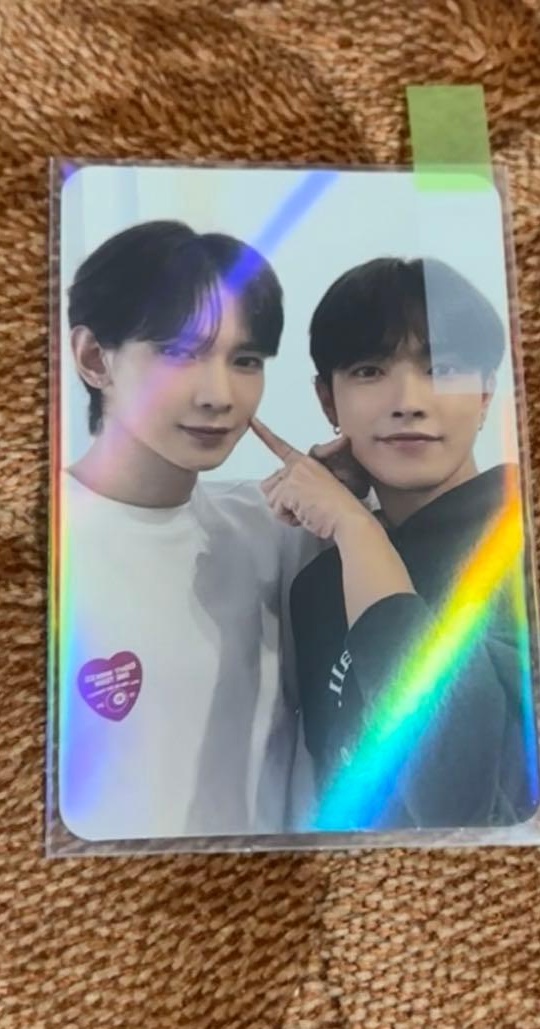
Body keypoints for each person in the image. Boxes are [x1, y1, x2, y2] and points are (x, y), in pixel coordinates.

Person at [57, 220, 327, 842]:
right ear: (94, 358)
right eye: (180, 352)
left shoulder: (273, 527)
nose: (219, 395)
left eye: (246, 360)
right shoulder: (39, 548)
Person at [253, 256, 538, 830]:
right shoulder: (316, 589)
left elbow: (458, 800)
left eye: (443, 368)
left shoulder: (527, 536)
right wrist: (358, 530)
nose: (408, 401)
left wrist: (358, 531)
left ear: (486, 393)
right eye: (369, 370)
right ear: (328, 401)